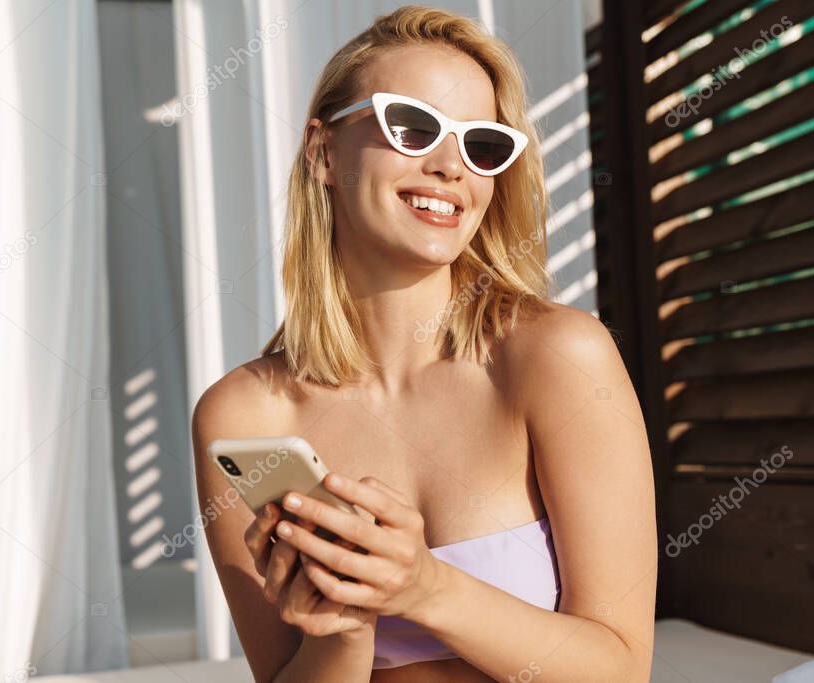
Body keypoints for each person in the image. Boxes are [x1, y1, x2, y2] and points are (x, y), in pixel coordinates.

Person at [191, 5, 657, 682]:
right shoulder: (243, 415)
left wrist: (426, 588)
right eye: (413, 128)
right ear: (323, 152)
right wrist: (343, 631)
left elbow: (620, 669)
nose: (449, 167)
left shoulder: (558, 357)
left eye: (482, 145)